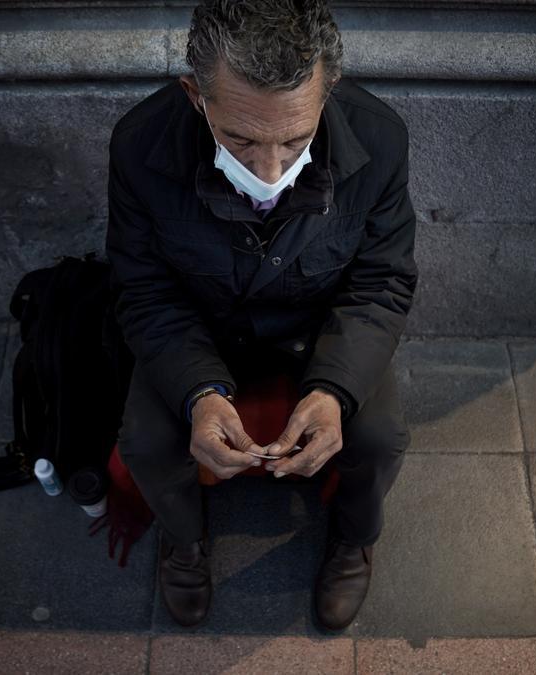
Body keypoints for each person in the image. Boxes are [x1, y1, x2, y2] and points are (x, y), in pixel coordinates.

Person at [105, 0, 417, 630]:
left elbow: (382, 281)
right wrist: (197, 391)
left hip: (316, 333)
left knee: (379, 436)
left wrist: (333, 388)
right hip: (201, 327)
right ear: (196, 96)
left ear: (328, 93)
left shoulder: (380, 139)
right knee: (144, 438)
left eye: (296, 141)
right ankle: (184, 538)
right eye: (241, 138)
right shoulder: (140, 144)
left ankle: (352, 537)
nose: (268, 170)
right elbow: (143, 288)